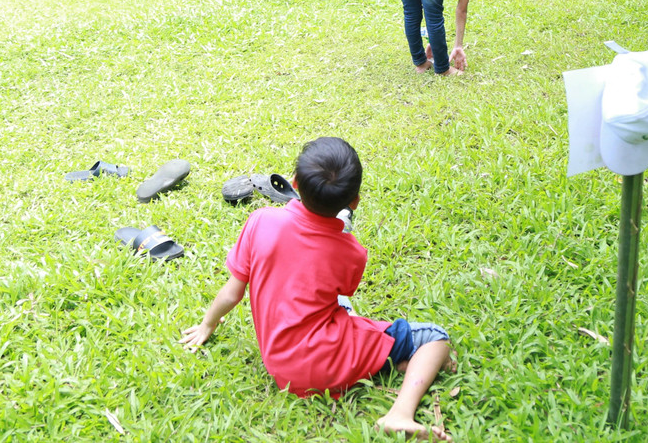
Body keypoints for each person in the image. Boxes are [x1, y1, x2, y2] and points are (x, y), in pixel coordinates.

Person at [182, 137, 454, 439]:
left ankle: (386, 362)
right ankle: (400, 414)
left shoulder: (260, 221)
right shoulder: (351, 251)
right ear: (354, 202)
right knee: (435, 339)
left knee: (347, 316)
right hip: (324, 360)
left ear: (294, 182)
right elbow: (343, 292)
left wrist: (208, 324)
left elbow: (233, 292)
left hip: (280, 366)